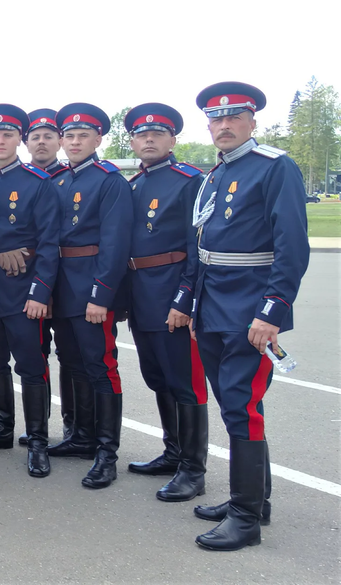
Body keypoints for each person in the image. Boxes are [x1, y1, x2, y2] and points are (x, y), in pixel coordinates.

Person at [189, 82, 308, 551]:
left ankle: (245, 519)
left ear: (253, 120)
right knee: (234, 406)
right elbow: (204, 247)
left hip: (250, 309)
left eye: (234, 116)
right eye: (216, 118)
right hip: (214, 304)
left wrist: (272, 311)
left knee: (243, 406)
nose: (223, 124)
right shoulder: (217, 173)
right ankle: (256, 500)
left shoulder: (274, 168)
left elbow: (291, 247)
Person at [121, 103, 210, 503]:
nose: (149, 140)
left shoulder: (189, 180)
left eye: (158, 134)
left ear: (173, 139)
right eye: (142, 135)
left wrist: (186, 300)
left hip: (173, 293)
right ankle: (173, 452)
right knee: (158, 378)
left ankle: (193, 469)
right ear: (133, 141)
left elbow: (197, 249)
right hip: (141, 294)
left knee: (185, 383)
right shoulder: (134, 184)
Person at [0, 104, 61, 478]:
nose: (0, 141)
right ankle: (3, 430)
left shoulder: (39, 183)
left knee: (31, 366)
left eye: (7, 135)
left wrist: (40, 292)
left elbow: (50, 243)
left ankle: (37, 441)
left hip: (23, 288)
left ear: (19, 139)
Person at [50, 102, 133, 489]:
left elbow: (115, 244)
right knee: (73, 362)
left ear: (99, 138)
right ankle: (82, 437)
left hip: (91, 290)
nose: (76, 141)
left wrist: (101, 296)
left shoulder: (109, 179)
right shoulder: (61, 181)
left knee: (102, 368)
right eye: (69, 136)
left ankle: (106, 451)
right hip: (64, 287)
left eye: (84, 135)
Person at [22, 109, 75, 446]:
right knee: (36, 355)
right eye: (35, 137)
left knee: (73, 356)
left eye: (48, 136)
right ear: (27, 142)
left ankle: (76, 428)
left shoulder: (74, 177)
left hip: (71, 281)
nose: (41, 142)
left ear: (59, 141)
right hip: (31, 282)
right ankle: (38, 429)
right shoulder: (23, 180)